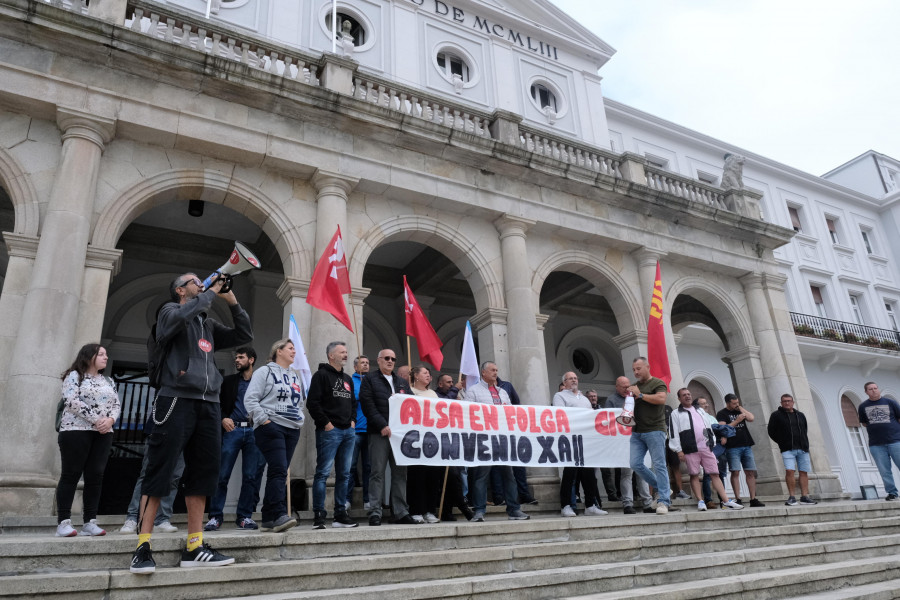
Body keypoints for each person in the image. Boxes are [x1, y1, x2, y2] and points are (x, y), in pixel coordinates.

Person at [130, 273, 251, 574]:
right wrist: (209, 292)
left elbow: (243, 334)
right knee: (160, 470)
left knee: (203, 474)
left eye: (203, 280)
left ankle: (194, 546)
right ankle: (143, 545)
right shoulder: (169, 312)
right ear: (180, 290)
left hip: (209, 403)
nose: (201, 282)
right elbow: (183, 315)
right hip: (175, 400)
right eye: (194, 280)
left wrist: (231, 299)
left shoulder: (207, 325)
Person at [55, 344, 120, 537]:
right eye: (101, 354)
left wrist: (110, 420)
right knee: (70, 474)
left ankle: (90, 521)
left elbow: (116, 403)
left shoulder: (108, 380)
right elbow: (71, 401)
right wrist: (98, 420)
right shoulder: (74, 376)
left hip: (103, 433)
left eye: (106, 354)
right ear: (88, 356)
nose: (105, 357)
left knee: (96, 476)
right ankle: (63, 522)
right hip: (75, 431)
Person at [245, 338, 306, 532]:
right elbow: (250, 399)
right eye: (290, 348)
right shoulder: (264, 371)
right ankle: (279, 513)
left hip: (292, 428)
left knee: (277, 471)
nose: (294, 352)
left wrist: (300, 419)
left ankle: (268, 517)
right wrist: (264, 420)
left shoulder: (295, 376)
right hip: (271, 426)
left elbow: (300, 401)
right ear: (278, 351)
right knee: (279, 469)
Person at [460, 361, 530, 522]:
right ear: (483, 373)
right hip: (484, 440)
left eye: (497, 370)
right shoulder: (473, 391)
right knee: (481, 476)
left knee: (509, 476)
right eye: (492, 370)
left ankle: (514, 510)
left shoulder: (503, 392)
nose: (495, 373)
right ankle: (479, 511)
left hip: (503, 440)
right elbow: (469, 414)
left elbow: (512, 413)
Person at [205, 346, 265, 531]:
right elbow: (217, 404)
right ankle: (215, 516)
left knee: (250, 477)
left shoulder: (262, 383)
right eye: (236, 358)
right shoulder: (229, 381)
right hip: (233, 430)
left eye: (241, 357)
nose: (237, 360)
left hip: (255, 432)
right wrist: (223, 418)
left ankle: (244, 517)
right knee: (222, 475)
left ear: (251, 360)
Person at [307, 341, 358, 529]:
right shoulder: (320, 375)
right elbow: (313, 403)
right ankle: (319, 515)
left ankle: (340, 514)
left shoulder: (348, 378)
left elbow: (353, 403)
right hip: (330, 431)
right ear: (331, 356)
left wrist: (352, 422)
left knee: (344, 474)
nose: (345, 355)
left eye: (346, 351)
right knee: (322, 474)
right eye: (341, 352)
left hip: (348, 432)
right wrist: (326, 424)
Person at [359, 349, 413, 525]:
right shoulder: (370, 379)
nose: (390, 361)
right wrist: (382, 425)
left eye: (393, 359)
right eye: (387, 358)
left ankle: (401, 511)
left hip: (399, 435)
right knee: (377, 472)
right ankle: (375, 512)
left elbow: (412, 405)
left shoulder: (402, 382)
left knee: (400, 474)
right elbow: (368, 404)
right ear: (379, 360)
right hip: (379, 433)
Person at [668, 389, 742, 511]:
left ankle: (726, 500)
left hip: (706, 447)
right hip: (690, 448)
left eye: (689, 394)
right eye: (684, 395)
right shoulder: (676, 413)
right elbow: (673, 433)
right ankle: (701, 501)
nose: (687, 396)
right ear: (679, 399)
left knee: (714, 473)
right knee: (694, 474)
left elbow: (708, 426)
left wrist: (712, 442)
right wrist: (678, 450)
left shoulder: (700, 410)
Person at [552, 372, 607, 517]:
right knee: (570, 474)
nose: (574, 380)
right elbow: (561, 415)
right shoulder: (560, 396)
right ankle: (566, 505)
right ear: (564, 382)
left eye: (575, 378)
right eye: (570, 378)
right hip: (570, 439)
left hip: (585, 439)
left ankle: (590, 505)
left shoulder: (584, 399)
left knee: (588, 474)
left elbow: (590, 418)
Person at [627, 357, 672, 515]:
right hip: (637, 431)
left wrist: (640, 395)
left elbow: (661, 399)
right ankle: (663, 488)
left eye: (638, 368)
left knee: (659, 465)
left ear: (648, 366)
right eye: (634, 369)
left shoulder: (658, 383)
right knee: (635, 463)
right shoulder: (635, 386)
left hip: (655, 429)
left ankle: (664, 501)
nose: (636, 372)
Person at [606, 376, 653, 514]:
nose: (627, 388)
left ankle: (647, 503)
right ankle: (627, 503)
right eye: (623, 386)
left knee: (642, 472)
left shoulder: (636, 398)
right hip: (623, 441)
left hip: (639, 438)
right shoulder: (611, 400)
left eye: (628, 386)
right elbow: (609, 419)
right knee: (627, 473)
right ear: (617, 387)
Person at [767, 393, 817, 506]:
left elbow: (805, 429)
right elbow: (771, 431)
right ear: (781, 403)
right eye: (784, 401)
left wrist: (805, 443)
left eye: (789, 400)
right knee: (790, 471)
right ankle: (792, 497)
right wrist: (782, 442)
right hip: (787, 448)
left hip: (802, 448)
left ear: (793, 402)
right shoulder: (776, 415)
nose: (787, 403)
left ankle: (804, 496)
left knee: (804, 471)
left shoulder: (800, 415)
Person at [717, 393, 765, 507]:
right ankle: (738, 498)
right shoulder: (722, 413)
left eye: (737, 402)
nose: (736, 405)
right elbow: (723, 429)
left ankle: (753, 498)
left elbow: (751, 418)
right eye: (734, 403)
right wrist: (737, 420)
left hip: (746, 444)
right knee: (735, 472)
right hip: (733, 446)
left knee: (750, 472)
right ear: (728, 403)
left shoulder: (740, 410)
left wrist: (740, 408)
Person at [858, 382, 900, 501]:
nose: (874, 390)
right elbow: (864, 423)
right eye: (870, 389)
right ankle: (892, 493)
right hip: (876, 444)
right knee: (884, 471)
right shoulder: (863, 406)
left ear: (879, 389)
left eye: (876, 388)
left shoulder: (890, 402)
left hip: (895, 441)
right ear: (866, 392)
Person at [350, 356, 372, 510]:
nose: (365, 365)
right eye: (362, 363)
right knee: (350, 466)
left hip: (371, 430)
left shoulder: (371, 381)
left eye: (368, 363)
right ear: (355, 366)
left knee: (369, 467)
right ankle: (346, 499)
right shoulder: (350, 381)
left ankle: (368, 500)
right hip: (356, 429)